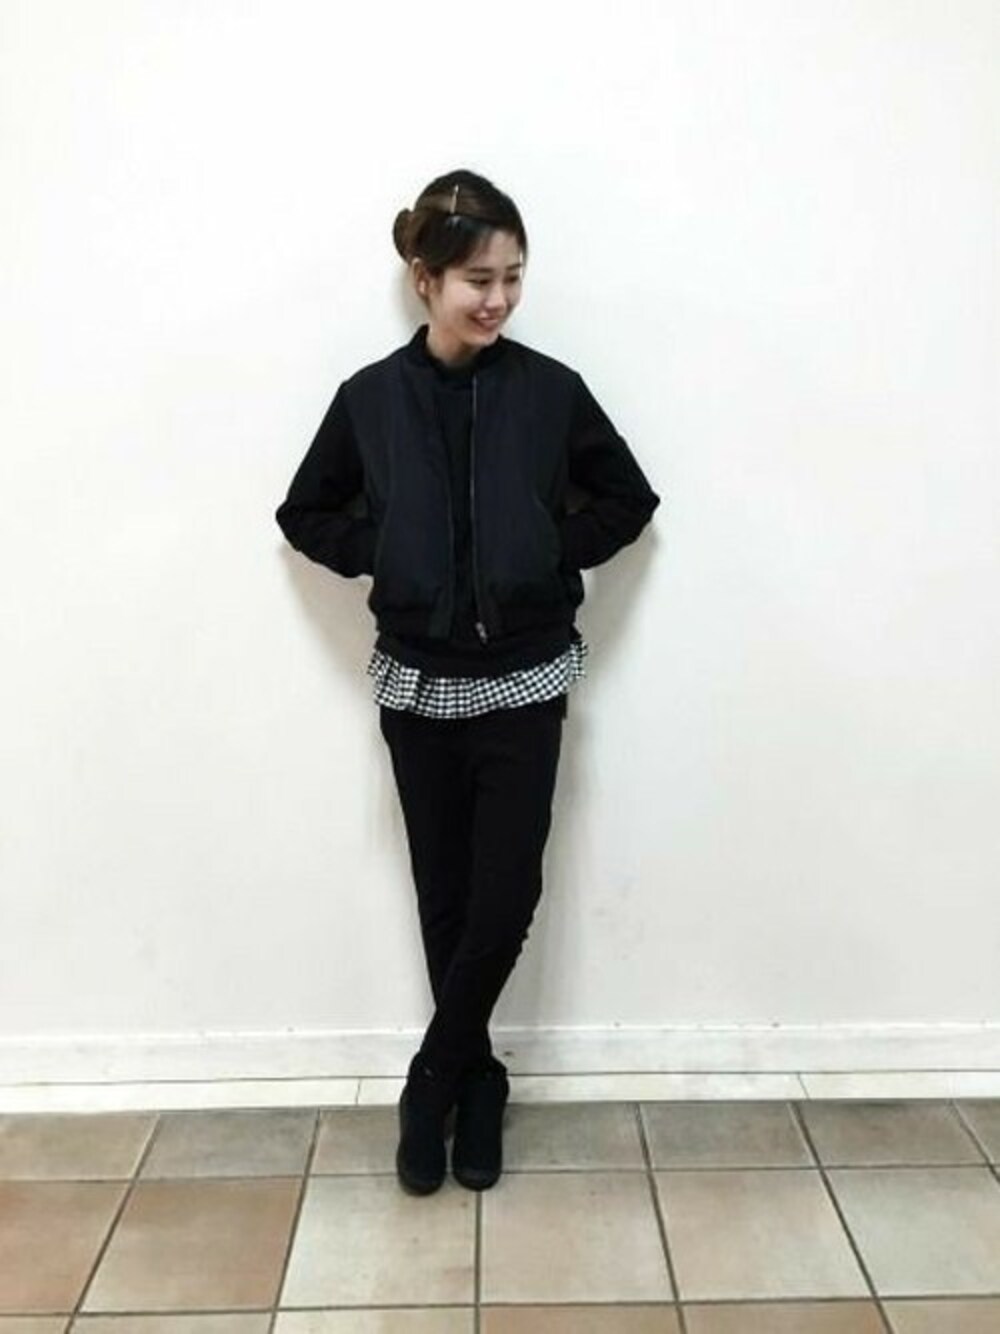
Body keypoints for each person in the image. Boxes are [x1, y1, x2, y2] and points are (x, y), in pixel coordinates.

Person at [275, 168, 659, 1195]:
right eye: (478, 279)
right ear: (425, 278)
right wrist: (387, 554)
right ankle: (479, 1081)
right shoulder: (370, 400)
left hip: (525, 678)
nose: (497, 299)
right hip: (418, 684)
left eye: (513, 277)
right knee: (444, 895)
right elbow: (304, 513)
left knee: (506, 892)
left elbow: (628, 498)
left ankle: (432, 1075)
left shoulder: (550, 392)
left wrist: (547, 551)